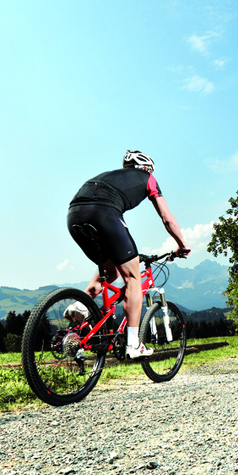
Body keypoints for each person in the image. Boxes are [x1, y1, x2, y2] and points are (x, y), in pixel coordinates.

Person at [67, 150, 191, 358]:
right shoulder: (149, 178)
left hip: (74, 214)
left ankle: (80, 306)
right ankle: (133, 344)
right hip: (104, 213)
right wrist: (182, 244)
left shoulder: (110, 176)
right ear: (147, 168)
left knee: (110, 271)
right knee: (133, 277)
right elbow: (167, 218)